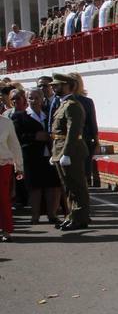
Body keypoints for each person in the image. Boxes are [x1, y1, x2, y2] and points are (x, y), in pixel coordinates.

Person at [7, 87, 61, 225]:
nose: (34, 101)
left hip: (50, 154)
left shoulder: (49, 114)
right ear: (27, 99)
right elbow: (17, 137)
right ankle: (35, 216)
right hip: (31, 156)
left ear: (42, 99)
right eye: (31, 98)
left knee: (52, 186)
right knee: (35, 187)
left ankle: (52, 214)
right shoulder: (19, 116)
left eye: (37, 98)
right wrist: (35, 137)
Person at [48, 73, 91, 231]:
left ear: (68, 86)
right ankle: (72, 215)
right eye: (53, 85)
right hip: (61, 149)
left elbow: (73, 131)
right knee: (68, 186)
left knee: (77, 186)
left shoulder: (72, 104)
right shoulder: (62, 103)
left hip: (71, 151)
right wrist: (55, 153)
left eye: (57, 85)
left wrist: (66, 153)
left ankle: (80, 217)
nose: (53, 87)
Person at [0, 102, 22, 241]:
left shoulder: (6, 123)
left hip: (3, 164)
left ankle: (6, 230)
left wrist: (19, 166)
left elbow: (15, 145)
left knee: (3, 199)